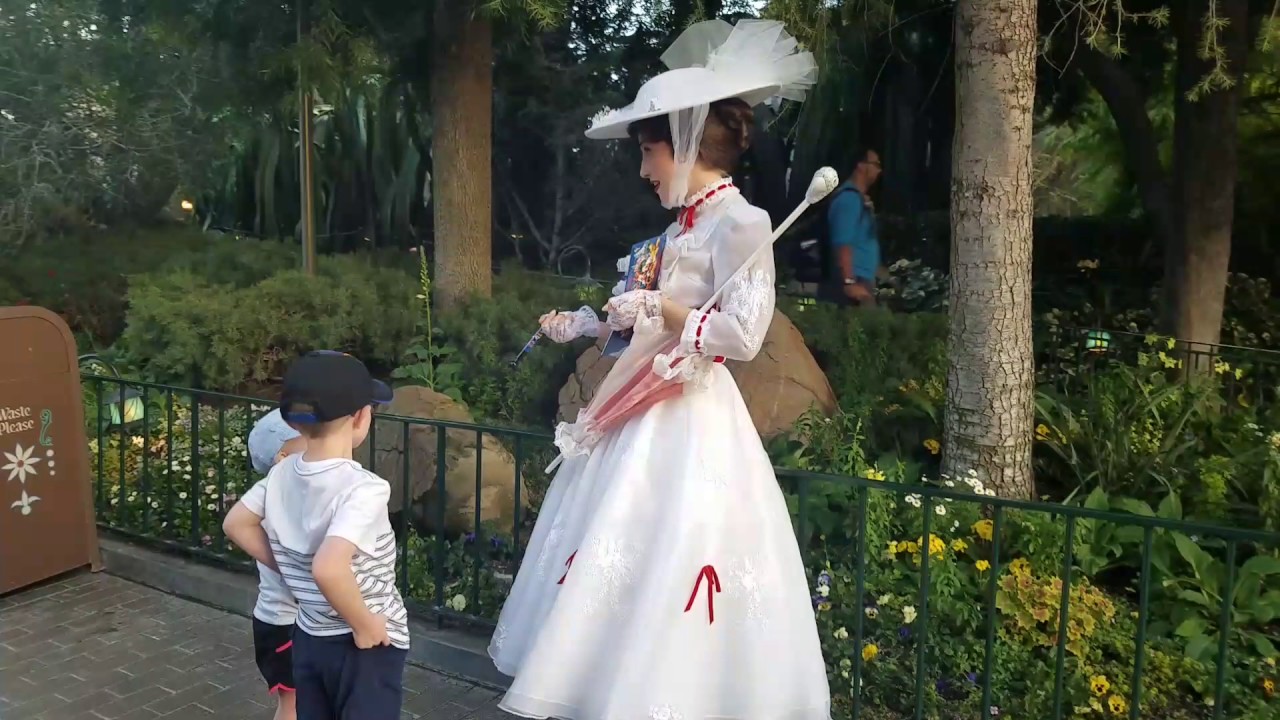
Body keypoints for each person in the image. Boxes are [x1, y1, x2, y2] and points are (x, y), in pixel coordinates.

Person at [488, 19, 831, 720]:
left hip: (692, 416)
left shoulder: (743, 222)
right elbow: (636, 311)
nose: (643, 170)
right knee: (611, 544)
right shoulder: (679, 228)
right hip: (638, 401)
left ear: (685, 146)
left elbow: (740, 333)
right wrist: (586, 322)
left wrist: (667, 313)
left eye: (649, 153)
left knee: (677, 545)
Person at [223, 351, 405, 720]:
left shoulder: (281, 474)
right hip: (359, 645)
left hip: (308, 637)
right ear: (360, 417)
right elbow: (328, 569)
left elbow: (236, 523)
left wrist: (294, 572)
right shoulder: (364, 488)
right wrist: (365, 625)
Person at [235, 409, 308, 720]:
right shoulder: (279, 501)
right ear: (282, 456)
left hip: (283, 624)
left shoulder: (273, 497)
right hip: (285, 626)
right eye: (306, 440)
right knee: (292, 706)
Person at [824, 147, 882, 307]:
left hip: (863, 282)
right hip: (854, 284)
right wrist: (849, 282)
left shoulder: (859, 200)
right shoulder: (848, 199)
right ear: (860, 165)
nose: (879, 170)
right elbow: (842, 243)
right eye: (875, 164)